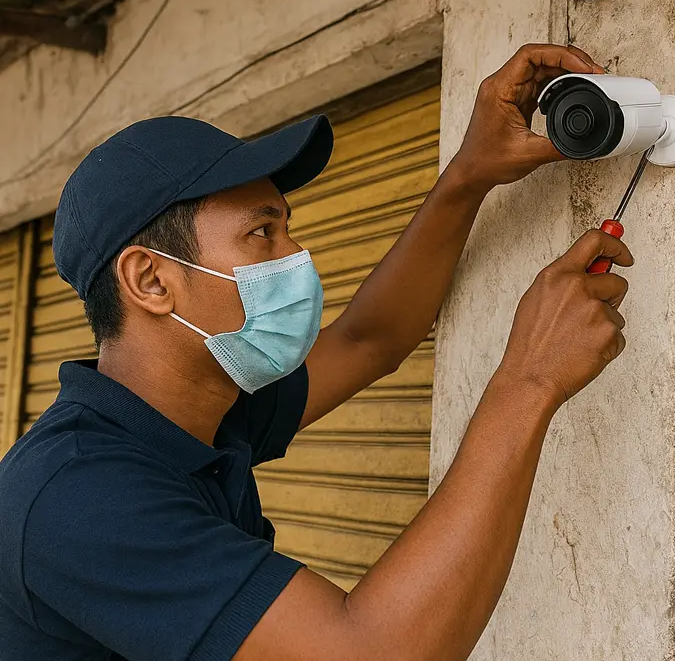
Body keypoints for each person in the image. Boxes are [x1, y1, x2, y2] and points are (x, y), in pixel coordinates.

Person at [0, 44, 632, 661]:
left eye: (286, 226)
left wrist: (469, 174)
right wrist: (529, 381)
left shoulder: (204, 408)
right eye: (261, 232)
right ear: (151, 281)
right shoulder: (78, 494)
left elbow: (369, 341)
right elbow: (371, 652)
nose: (297, 255)